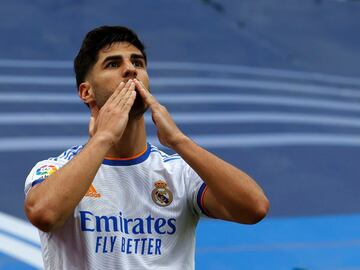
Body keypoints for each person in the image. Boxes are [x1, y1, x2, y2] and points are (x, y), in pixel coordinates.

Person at [24, 25, 269, 270]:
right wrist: (104, 137)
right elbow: (44, 214)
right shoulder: (55, 168)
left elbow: (254, 208)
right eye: (112, 64)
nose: (130, 69)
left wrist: (178, 141)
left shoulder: (179, 173)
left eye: (138, 63)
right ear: (86, 92)